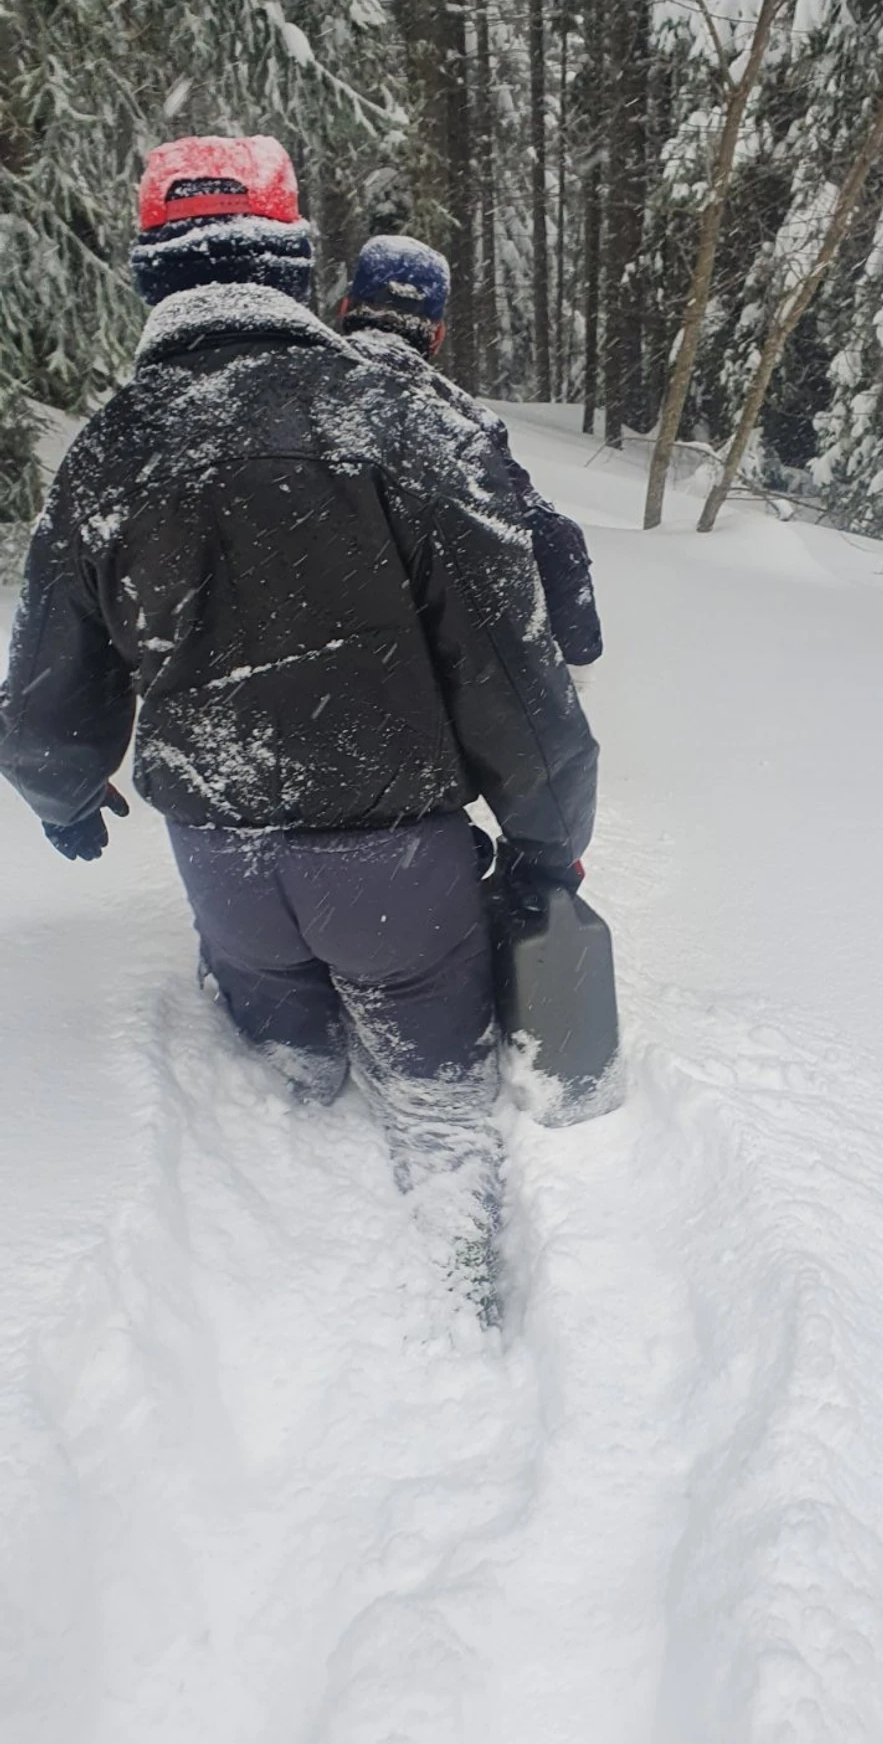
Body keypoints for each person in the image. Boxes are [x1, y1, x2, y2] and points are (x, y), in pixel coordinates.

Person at [0, 136, 597, 1315]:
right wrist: (542, 837)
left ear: (151, 275)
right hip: (391, 862)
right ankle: (464, 1288)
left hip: (220, 861)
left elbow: (45, 686)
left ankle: (278, 1277)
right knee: (434, 1089)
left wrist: (64, 795)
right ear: (292, 260)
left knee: (287, 1065)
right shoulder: (389, 417)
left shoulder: (107, 452)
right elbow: (509, 665)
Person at [338, 234, 603, 679]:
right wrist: (579, 655)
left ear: (345, 308)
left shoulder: (285, 389)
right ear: (437, 335)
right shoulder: (465, 424)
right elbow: (553, 542)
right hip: (413, 682)